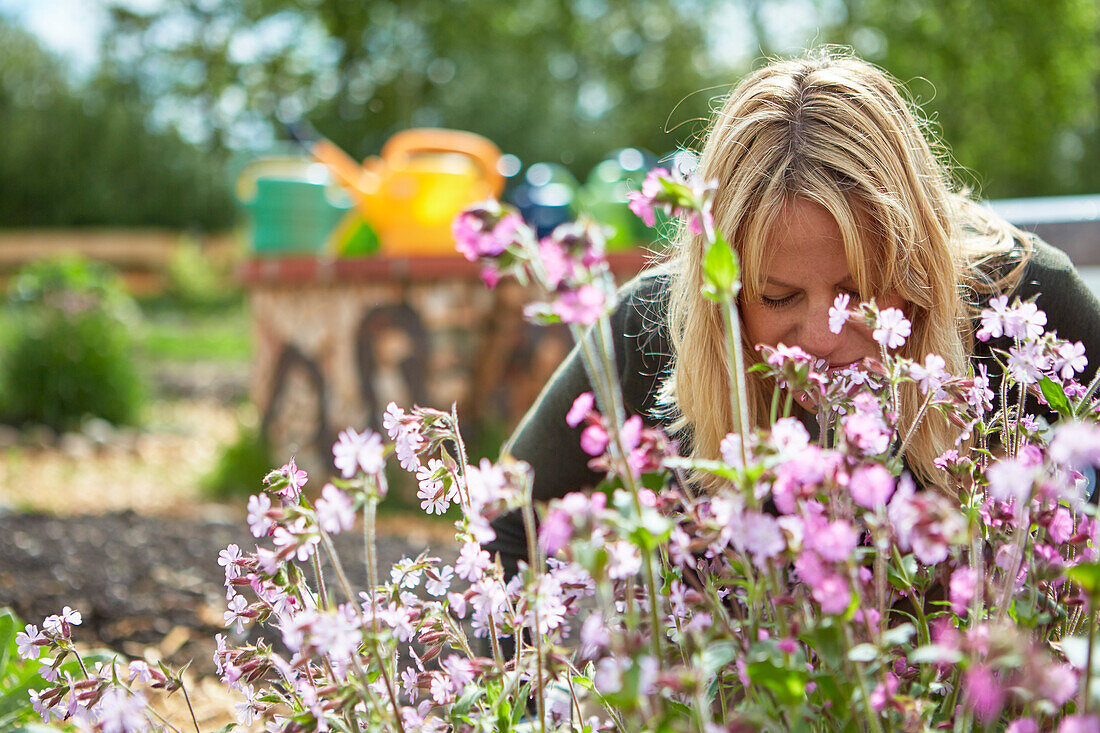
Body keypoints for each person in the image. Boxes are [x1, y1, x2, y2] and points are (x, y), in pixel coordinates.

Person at [485, 48, 1100, 577]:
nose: (820, 337)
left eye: (860, 291)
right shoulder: (649, 328)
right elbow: (505, 527)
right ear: (718, 292)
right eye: (777, 298)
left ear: (919, 265)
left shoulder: (1020, 304)